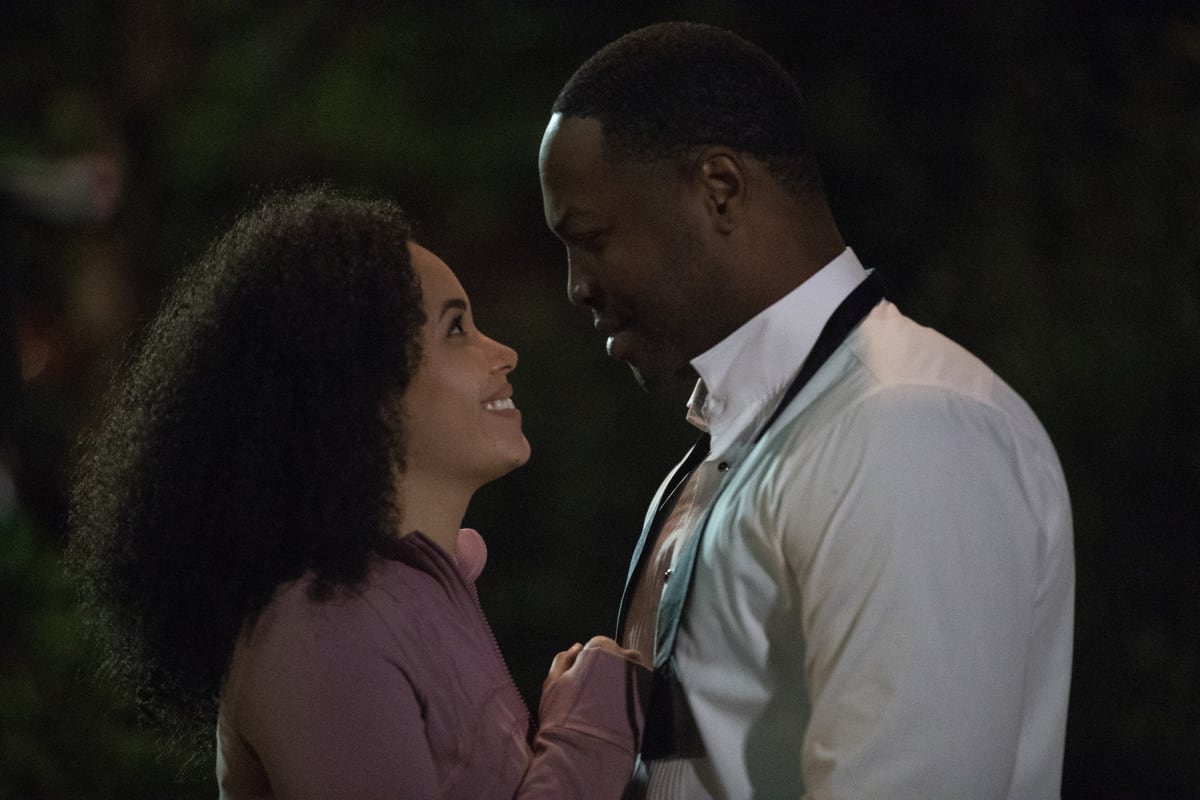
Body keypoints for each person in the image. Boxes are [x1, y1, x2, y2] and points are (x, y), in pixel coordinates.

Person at [538, 22, 1074, 799]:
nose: (576, 285)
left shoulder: (905, 425)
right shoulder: (750, 435)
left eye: (591, 237)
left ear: (720, 188)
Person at [66, 187, 649, 799]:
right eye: (456, 329)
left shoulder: (397, 598)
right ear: (355, 388)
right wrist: (589, 731)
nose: (504, 354)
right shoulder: (322, 628)